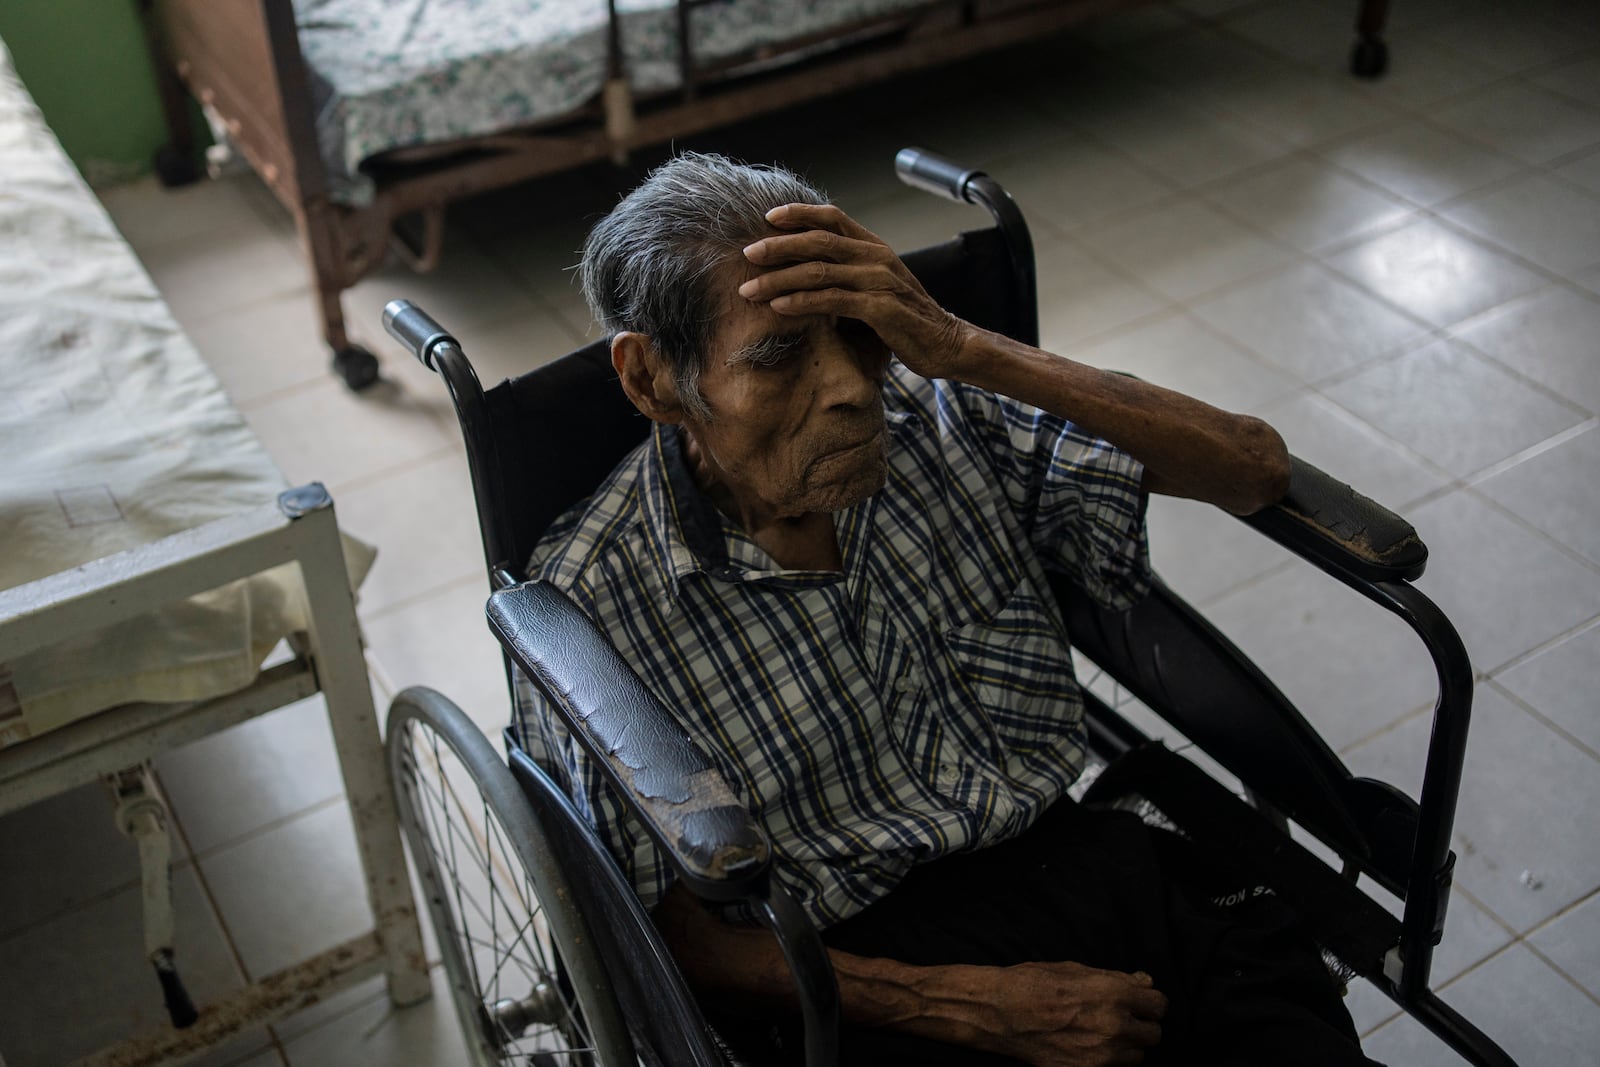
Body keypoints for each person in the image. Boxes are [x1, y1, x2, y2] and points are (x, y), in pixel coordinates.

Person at [514, 152, 1377, 1066]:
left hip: (1070, 858)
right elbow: (667, 936)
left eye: (863, 337)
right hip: (853, 968)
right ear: (652, 382)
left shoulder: (942, 416)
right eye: (778, 358)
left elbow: (1250, 466)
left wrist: (958, 344)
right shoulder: (592, 601)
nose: (851, 388)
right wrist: (970, 1005)